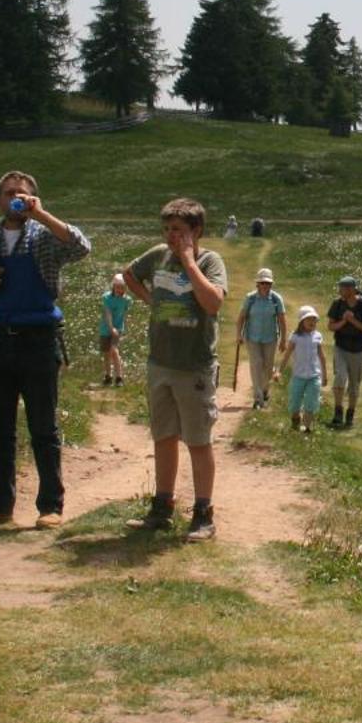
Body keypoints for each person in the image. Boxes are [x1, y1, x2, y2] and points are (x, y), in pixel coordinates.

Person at [0, 170, 92, 529]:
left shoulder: (45, 238)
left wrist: (41, 214)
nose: (15, 198)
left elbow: (81, 247)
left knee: (43, 428)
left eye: (22, 193)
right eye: (9, 193)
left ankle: (51, 507)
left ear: (33, 198)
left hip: (38, 342)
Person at [122, 198, 229, 542]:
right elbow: (128, 274)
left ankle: (203, 513)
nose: (170, 236)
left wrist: (187, 260)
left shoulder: (210, 261)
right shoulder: (156, 256)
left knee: (198, 441)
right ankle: (162, 507)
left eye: (178, 230)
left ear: (196, 231)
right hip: (160, 363)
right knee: (163, 437)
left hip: (194, 365)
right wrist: (149, 299)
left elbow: (213, 302)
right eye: (166, 229)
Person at [325, 275, 362, 430]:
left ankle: (350, 414)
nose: (340, 290)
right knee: (340, 377)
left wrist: (353, 320)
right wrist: (344, 321)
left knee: (354, 385)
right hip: (341, 347)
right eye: (340, 287)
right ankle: (338, 412)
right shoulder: (337, 304)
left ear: (351, 289)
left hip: (359, 350)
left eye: (342, 288)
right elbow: (331, 326)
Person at [236, 266, 287, 411]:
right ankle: (258, 399)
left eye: (268, 283)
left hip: (270, 338)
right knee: (256, 364)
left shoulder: (276, 299)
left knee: (268, 367)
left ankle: (265, 390)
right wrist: (238, 335)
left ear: (271, 284)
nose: (265, 285)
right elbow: (241, 318)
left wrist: (283, 340)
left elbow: (282, 320)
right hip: (252, 338)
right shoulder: (250, 298)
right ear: (257, 283)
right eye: (262, 283)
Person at [282, 306, 328, 434]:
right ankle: (295, 420)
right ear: (302, 321)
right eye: (309, 320)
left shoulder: (317, 336)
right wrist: (279, 371)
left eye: (314, 320)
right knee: (295, 404)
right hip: (298, 376)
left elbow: (322, 357)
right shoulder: (295, 337)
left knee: (311, 402)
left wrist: (324, 375)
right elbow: (287, 355)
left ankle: (307, 427)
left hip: (314, 376)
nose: (312, 322)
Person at [98, 273, 131, 386]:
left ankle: (119, 377)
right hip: (105, 328)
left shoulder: (127, 300)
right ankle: (108, 376)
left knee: (114, 350)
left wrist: (120, 328)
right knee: (106, 354)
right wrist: (111, 328)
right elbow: (107, 314)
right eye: (118, 287)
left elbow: (124, 314)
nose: (120, 289)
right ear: (114, 286)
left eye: (122, 287)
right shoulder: (106, 297)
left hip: (118, 329)